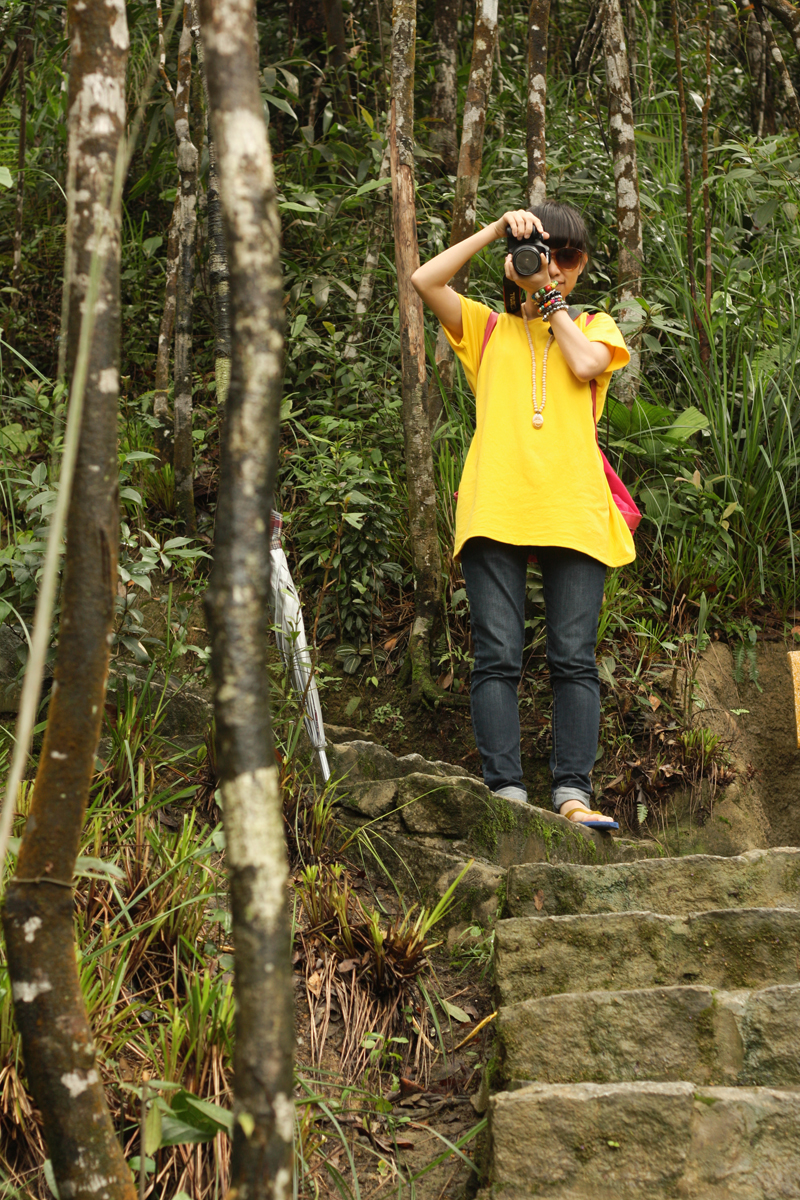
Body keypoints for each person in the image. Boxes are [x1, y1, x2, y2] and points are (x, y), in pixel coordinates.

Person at [411, 201, 635, 830]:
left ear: (582, 265)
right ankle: (506, 795)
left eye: (569, 256)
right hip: (496, 505)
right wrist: (495, 231)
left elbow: (585, 365)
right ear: (515, 261)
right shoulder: (486, 329)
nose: (554, 265)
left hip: (574, 509)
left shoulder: (594, 326)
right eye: (544, 253)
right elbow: (425, 279)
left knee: (574, 658)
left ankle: (572, 796)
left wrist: (547, 298)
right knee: (497, 655)